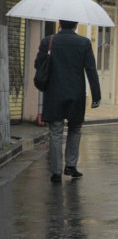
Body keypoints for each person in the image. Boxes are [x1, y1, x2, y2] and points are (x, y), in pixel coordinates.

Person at [35, 20, 101, 183]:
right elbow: (91, 69)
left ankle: (56, 171)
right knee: (75, 128)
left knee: (55, 132)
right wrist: (96, 95)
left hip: (54, 93)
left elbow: (38, 64)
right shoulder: (84, 43)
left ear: (60, 24)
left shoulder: (48, 41)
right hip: (76, 93)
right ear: (76, 25)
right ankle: (71, 165)